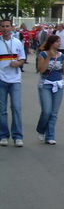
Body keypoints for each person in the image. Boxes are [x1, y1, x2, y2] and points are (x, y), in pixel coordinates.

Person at [36, 34, 64, 144]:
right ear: (51, 43)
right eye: (57, 41)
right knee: (46, 111)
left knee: (54, 113)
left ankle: (50, 136)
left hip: (58, 85)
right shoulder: (43, 54)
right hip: (45, 85)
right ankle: (41, 129)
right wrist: (49, 57)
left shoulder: (62, 56)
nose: (59, 43)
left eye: (59, 41)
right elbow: (42, 70)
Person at [0, 18, 26, 147]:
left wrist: (18, 63)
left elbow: (22, 59)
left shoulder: (17, 43)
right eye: (3, 26)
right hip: (1, 80)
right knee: (2, 110)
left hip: (15, 80)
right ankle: (3, 135)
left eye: (7, 26)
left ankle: (17, 136)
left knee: (16, 108)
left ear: (11, 28)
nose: (5, 29)